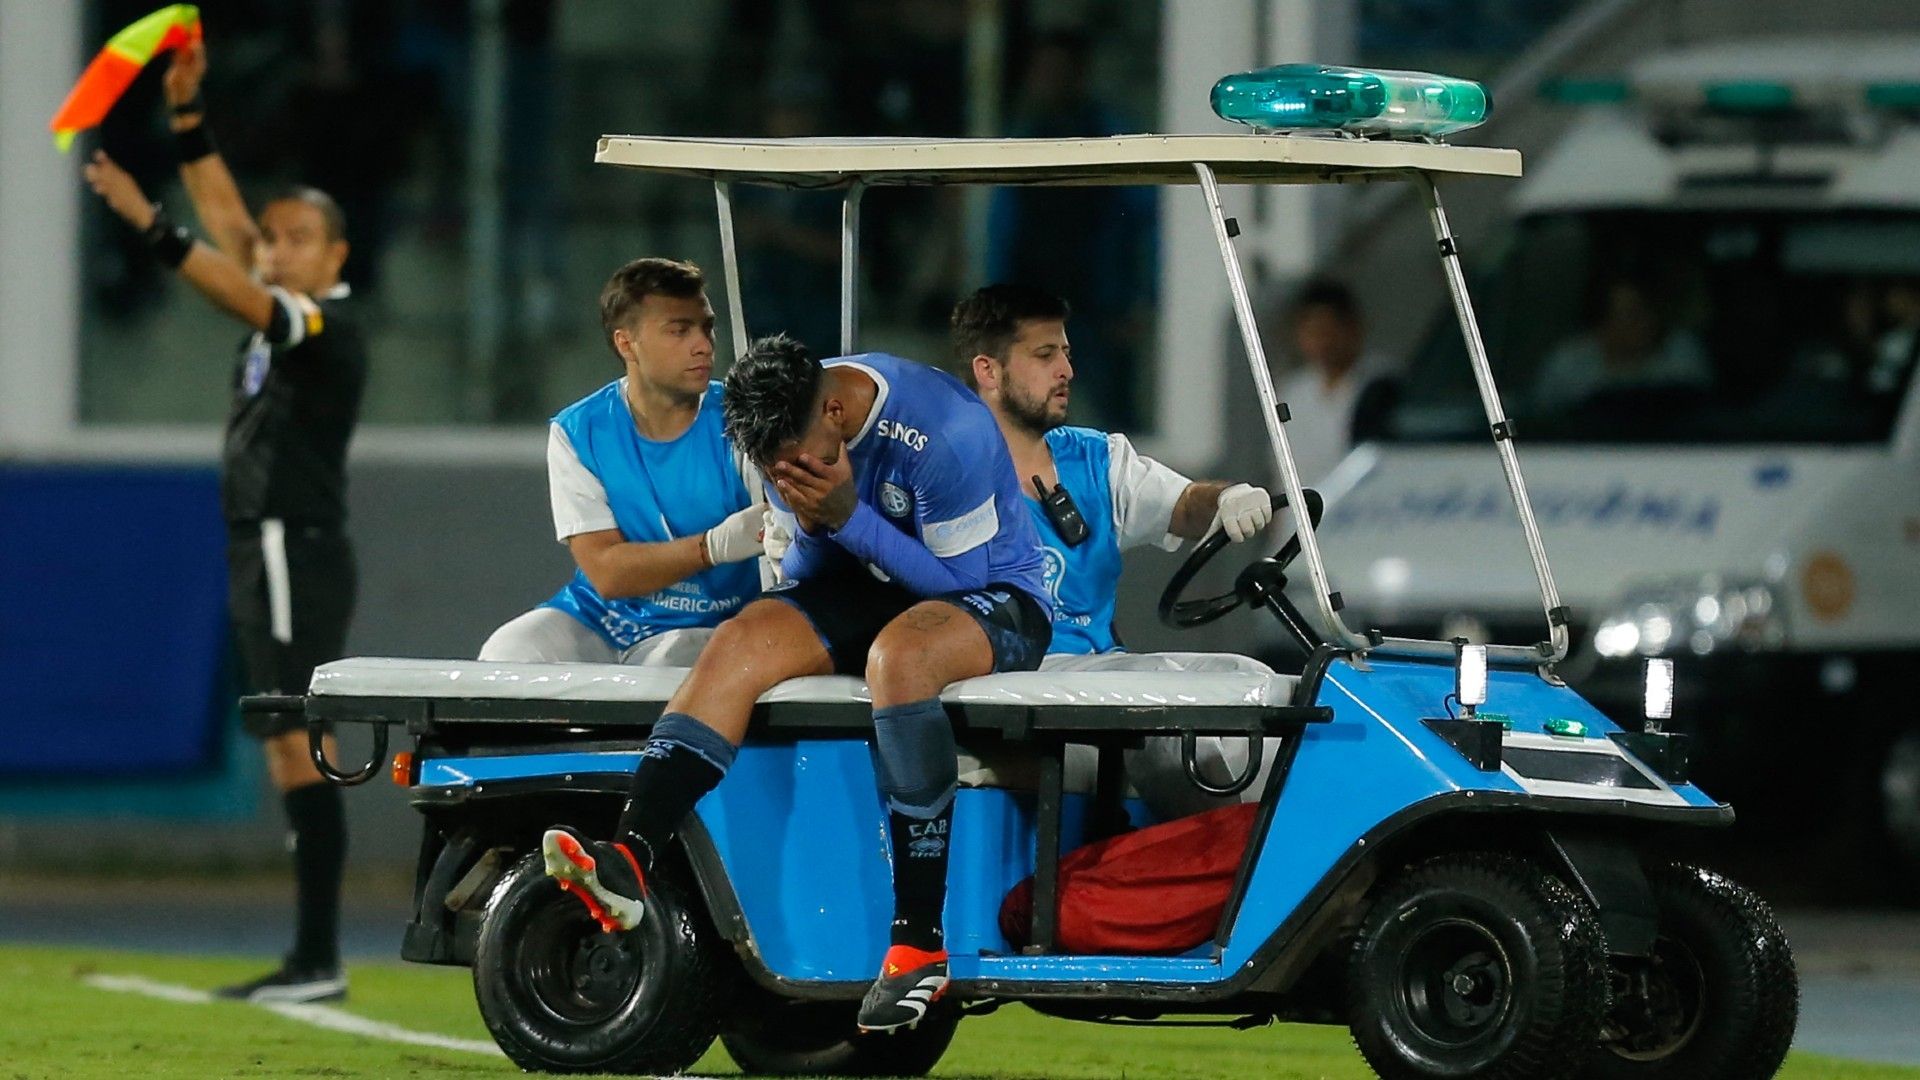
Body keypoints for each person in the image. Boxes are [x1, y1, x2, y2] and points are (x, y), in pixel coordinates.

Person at [537, 336, 1052, 1033]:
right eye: (770, 467)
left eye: (793, 460)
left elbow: (960, 582)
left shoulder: (944, 431)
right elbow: (807, 578)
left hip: (996, 598)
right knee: (740, 640)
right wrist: (815, 524)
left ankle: (919, 945)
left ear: (836, 411)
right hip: (872, 577)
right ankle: (631, 854)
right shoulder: (785, 439)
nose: (785, 473)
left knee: (900, 657)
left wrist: (849, 519)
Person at [82, 40, 362, 1002]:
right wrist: (190, 123)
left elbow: (236, 272)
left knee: (296, 737)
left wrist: (147, 224)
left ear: (335, 256)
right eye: (274, 240)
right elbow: (235, 230)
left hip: (294, 544)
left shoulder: (325, 326)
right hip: (263, 543)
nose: (275, 250)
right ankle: (312, 958)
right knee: (283, 739)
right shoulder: (275, 301)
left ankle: (319, 958)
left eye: (296, 240)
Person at [954, 284, 1278, 819]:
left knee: (1252, 681)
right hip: (1014, 685)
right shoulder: (943, 473)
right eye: (1045, 355)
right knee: (1187, 714)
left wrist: (1227, 499)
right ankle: (1218, 868)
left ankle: (1257, 871)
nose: (1067, 371)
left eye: (1067, 354)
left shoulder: (1097, 459)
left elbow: (1184, 501)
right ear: (988, 371)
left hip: (1094, 680)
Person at [477, 259, 765, 666]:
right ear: (626, 343)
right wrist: (713, 547)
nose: (702, 344)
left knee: (673, 665)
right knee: (507, 654)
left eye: (706, 327)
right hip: (601, 619)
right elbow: (608, 573)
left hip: (712, 622)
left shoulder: (745, 423)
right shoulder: (577, 431)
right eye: (679, 331)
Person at [1273, 278, 1401, 487]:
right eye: (1313, 332)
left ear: (1352, 327)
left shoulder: (1382, 384)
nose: (1323, 342)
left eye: (1329, 330)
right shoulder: (1294, 391)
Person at [1531, 275, 1709, 416]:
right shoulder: (1568, 364)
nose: (1643, 323)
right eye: (1631, 316)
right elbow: (1542, 415)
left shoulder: (1682, 356)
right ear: (1603, 323)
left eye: (1645, 313)